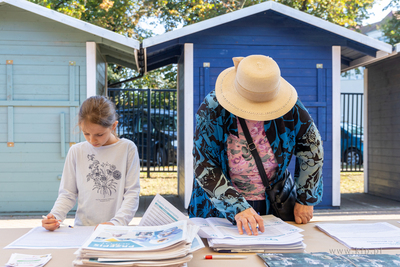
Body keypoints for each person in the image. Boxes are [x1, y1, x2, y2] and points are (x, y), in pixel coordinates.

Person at [188, 55, 323, 236]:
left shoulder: (292, 106)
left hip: (273, 200)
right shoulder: (213, 107)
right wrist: (237, 206)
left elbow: (312, 151)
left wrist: (305, 198)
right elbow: (204, 163)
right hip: (218, 204)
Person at [42, 96, 140, 231]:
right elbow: (67, 194)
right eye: (86, 133)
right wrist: (55, 216)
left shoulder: (128, 148)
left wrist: (116, 223)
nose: (92, 140)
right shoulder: (76, 151)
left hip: (116, 230)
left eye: (99, 134)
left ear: (113, 126)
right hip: (83, 230)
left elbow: (132, 193)